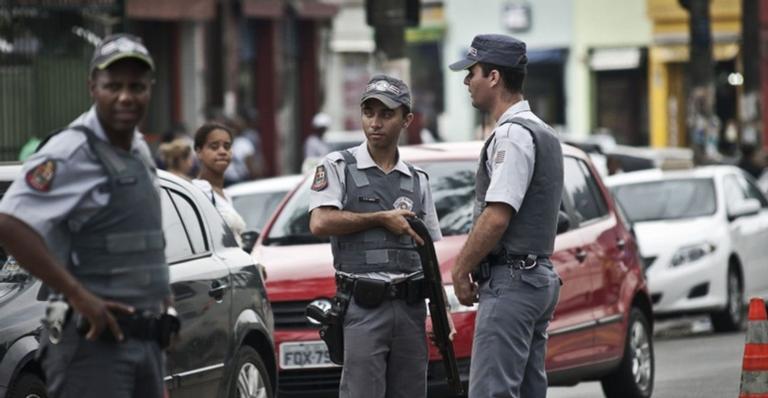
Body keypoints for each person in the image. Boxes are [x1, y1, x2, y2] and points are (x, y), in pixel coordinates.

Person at [0, 33, 171, 398]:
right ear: (92, 86)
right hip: (93, 347)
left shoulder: (137, 146)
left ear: (150, 89)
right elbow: (10, 223)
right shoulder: (71, 151)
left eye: (137, 86)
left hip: (146, 341)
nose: (126, 96)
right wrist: (78, 295)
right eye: (114, 85)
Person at [308, 75, 448, 398]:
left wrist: (442, 312)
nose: (375, 122)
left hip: (411, 309)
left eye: (386, 114)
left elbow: (428, 253)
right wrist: (381, 219)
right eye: (369, 113)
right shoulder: (337, 166)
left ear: (406, 120)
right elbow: (319, 222)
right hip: (363, 306)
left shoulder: (417, 180)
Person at [448, 34, 564, 398]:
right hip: (536, 277)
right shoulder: (543, 131)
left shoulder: (512, 135)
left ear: (494, 77)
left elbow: (498, 215)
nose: (467, 81)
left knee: (491, 392)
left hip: (513, 280)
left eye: (472, 72)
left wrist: (460, 267)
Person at [192, 122, 247, 246]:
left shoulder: (226, 195)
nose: (222, 151)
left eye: (227, 146)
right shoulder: (200, 191)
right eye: (214, 146)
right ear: (199, 152)